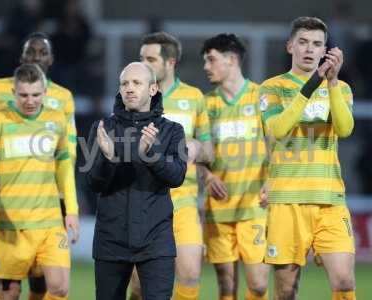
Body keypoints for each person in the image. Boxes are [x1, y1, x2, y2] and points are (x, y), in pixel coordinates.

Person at [0, 31, 77, 300]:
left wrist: (68, 201)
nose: (36, 57)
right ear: (21, 57)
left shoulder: (62, 99)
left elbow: (68, 154)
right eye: (31, 52)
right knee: (2, 284)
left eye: (43, 53)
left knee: (44, 282)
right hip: (3, 202)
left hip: (45, 202)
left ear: (51, 59)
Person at [259, 16, 355, 299]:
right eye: (303, 42)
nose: (309, 49)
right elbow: (277, 129)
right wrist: (311, 86)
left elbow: (345, 128)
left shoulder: (341, 89)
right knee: (286, 290)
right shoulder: (272, 87)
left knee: (344, 282)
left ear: (324, 49)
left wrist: (333, 82)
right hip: (287, 201)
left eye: (316, 44)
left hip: (330, 200)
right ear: (290, 46)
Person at [87, 62, 187, 300]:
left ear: (152, 89)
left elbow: (177, 176)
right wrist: (109, 158)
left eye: (136, 83)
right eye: (124, 83)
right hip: (111, 240)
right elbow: (94, 183)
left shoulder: (173, 130)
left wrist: (150, 155)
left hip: (156, 240)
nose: (129, 88)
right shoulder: (103, 128)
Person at [129, 31, 212, 300]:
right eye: (141, 58)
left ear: (171, 62)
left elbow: (209, 151)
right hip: (144, 202)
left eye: (150, 59)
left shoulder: (194, 97)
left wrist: (198, 148)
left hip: (183, 203)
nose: (142, 64)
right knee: (140, 287)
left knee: (189, 275)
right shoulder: (133, 97)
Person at [199, 34, 270, 300]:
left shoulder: (261, 97)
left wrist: (272, 180)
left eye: (211, 59)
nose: (206, 66)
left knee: (259, 285)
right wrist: (206, 176)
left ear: (231, 60)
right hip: (219, 209)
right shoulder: (206, 105)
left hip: (255, 206)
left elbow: (280, 146)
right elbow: (197, 156)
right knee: (226, 288)